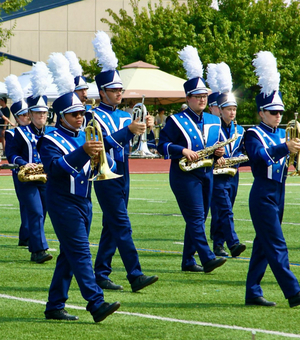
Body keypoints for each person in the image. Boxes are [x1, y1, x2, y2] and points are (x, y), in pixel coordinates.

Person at [40, 51, 120, 321]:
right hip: (63, 202)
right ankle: (95, 303)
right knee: (81, 253)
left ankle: (54, 306)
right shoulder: (49, 140)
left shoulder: (85, 135)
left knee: (69, 255)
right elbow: (55, 168)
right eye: (73, 114)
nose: (80, 117)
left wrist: (129, 131)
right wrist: (84, 151)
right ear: (61, 116)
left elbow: (105, 149)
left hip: (85, 201)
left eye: (82, 113)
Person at [87, 30, 158, 292]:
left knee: (111, 226)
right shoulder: (90, 115)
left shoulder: (124, 115)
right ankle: (135, 274)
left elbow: (133, 141)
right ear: (103, 92)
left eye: (120, 89)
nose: (119, 93)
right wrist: (129, 131)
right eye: (114, 90)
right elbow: (99, 144)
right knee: (121, 224)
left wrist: (146, 128)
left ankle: (101, 272)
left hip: (123, 172)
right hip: (104, 175)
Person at [157, 45, 226, 273]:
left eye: (205, 96)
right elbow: (161, 145)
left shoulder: (214, 120)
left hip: (207, 173)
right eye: (197, 96)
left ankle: (188, 261)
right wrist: (181, 150)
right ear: (187, 98)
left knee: (199, 217)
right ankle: (206, 257)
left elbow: (215, 147)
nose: (202, 99)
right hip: (184, 175)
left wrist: (219, 154)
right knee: (196, 217)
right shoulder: (175, 120)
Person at [245, 51, 300, 308]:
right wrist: (285, 148)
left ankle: (252, 291)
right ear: (261, 113)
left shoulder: (283, 135)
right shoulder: (253, 133)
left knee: (262, 244)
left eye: (280, 111)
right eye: (273, 112)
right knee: (277, 244)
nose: (278, 116)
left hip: (279, 192)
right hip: (263, 193)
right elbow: (259, 158)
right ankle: (294, 292)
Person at [9, 63, 53, 264]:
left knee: (42, 213)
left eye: (44, 113)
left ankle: (36, 246)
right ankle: (39, 250)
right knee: (34, 211)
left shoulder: (52, 133)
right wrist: (21, 163)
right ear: (31, 113)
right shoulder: (19, 132)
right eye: (37, 113)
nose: (41, 116)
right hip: (26, 178)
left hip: (45, 178)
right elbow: (11, 153)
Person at [209, 62, 247, 257]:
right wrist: (215, 156)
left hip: (233, 173)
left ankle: (218, 244)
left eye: (234, 109)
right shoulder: (212, 128)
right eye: (228, 109)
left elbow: (242, 150)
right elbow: (204, 149)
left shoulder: (240, 130)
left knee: (225, 209)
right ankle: (233, 244)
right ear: (220, 110)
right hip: (216, 174)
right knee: (224, 210)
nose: (232, 112)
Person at [4, 78, 30, 247]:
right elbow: (10, 154)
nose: (27, 117)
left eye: (28, 114)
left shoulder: (36, 132)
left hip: (39, 172)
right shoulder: (12, 134)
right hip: (21, 172)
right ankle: (26, 236)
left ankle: (26, 235)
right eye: (23, 115)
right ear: (17, 117)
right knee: (26, 203)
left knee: (39, 206)